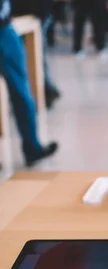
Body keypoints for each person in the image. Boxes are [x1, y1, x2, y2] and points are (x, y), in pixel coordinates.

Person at [0, 0, 58, 167]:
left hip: (5, 29)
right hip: (4, 30)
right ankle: (32, 147)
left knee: (22, 92)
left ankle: (32, 147)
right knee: (21, 92)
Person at [12, 0, 61, 109]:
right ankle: (45, 90)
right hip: (27, 12)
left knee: (36, 55)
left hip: (34, 12)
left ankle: (44, 90)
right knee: (35, 55)